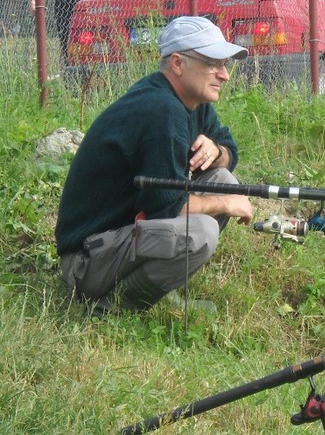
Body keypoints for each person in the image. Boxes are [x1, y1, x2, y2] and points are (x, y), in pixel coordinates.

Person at [55, 16, 255, 316]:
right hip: (86, 260)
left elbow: (231, 150)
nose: (224, 74)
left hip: (119, 236)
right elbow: (167, 208)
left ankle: (152, 289)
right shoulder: (162, 110)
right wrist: (226, 203)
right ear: (177, 63)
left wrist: (217, 150)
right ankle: (116, 307)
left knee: (223, 177)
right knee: (201, 232)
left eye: (225, 63)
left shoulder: (190, 103)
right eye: (213, 63)